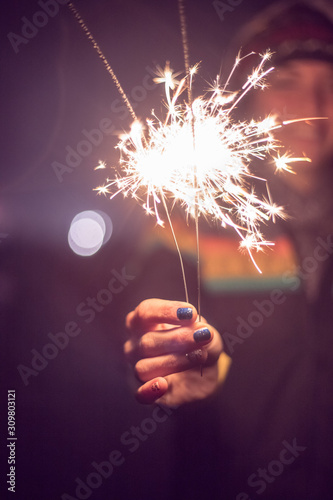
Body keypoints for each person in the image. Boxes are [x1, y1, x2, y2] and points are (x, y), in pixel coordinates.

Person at [124, 1, 333, 499]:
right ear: (245, 99)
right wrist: (191, 362)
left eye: (331, 81)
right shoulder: (190, 223)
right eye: (285, 81)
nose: (315, 101)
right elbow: (150, 337)